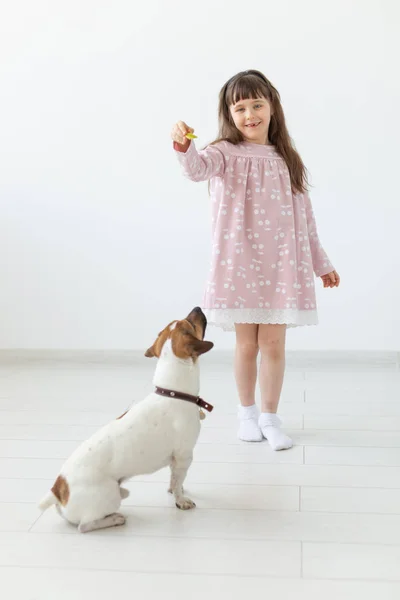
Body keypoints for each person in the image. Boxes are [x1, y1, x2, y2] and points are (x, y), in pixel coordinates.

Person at [171, 69, 339, 450]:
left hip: (283, 266)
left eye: (257, 104)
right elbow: (196, 170)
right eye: (240, 107)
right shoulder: (223, 154)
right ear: (229, 114)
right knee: (247, 345)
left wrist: (321, 263)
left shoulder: (287, 159)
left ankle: (270, 417)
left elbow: (305, 220)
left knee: (275, 346)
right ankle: (246, 414)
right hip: (240, 263)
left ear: (272, 107)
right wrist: (184, 146)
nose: (250, 114)